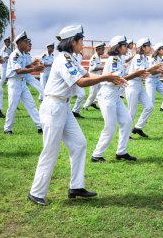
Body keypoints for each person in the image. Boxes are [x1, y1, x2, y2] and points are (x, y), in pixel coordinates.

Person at [29, 25, 125, 206]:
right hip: (53, 106)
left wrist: (107, 76)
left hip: (63, 106)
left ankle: (76, 186)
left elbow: (85, 74)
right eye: (81, 41)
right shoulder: (63, 59)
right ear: (73, 42)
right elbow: (80, 82)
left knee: (79, 144)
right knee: (51, 150)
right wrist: (106, 77)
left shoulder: (71, 58)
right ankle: (36, 192)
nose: (83, 44)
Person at [92, 36, 147, 162]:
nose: (126, 47)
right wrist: (135, 74)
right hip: (108, 96)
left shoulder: (118, 59)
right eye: (124, 45)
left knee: (127, 121)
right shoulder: (113, 60)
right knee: (110, 127)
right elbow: (116, 80)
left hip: (115, 95)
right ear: (118, 47)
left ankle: (121, 152)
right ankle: (97, 155)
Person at [3, 32, 44, 135]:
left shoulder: (23, 54)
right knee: (12, 106)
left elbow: (27, 65)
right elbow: (19, 70)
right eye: (25, 42)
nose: (27, 44)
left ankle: (40, 126)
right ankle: (7, 129)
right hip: (14, 83)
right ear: (20, 43)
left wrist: (34, 65)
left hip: (22, 83)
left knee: (31, 104)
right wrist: (35, 68)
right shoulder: (15, 55)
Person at [126, 37, 163, 138]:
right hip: (132, 85)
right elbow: (141, 71)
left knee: (149, 106)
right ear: (143, 47)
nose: (150, 47)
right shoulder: (138, 57)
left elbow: (147, 72)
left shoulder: (144, 58)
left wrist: (156, 69)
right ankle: (126, 133)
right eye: (148, 46)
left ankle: (138, 127)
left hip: (139, 84)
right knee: (132, 112)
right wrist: (154, 68)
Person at [144, 42, 163, 122]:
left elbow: (160, 72)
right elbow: (151, 72)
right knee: (150, 102)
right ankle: (144, 119)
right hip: (150, 80)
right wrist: (162, 70)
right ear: (158, 50)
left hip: (157, 80)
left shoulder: (161, 59)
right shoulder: (152, 59)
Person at [83, 42, 106, 111]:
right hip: (93, 77)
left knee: (101, 91)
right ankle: (85, 106)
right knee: (93, 93)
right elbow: (92, 68)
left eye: (103, 49)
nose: (103, 51)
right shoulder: (94, 58)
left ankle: (93, 102)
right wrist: (102, 68)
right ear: (97, 50)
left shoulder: (98, 57)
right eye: (102, 49)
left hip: (98, 77)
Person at [71, 52, 85, 118]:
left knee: (82, 95)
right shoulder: (70, 55)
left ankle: (75, 111)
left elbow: (79, 66)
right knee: (66, 96)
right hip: (70, 78)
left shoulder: (80, 55)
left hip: (77, 77)